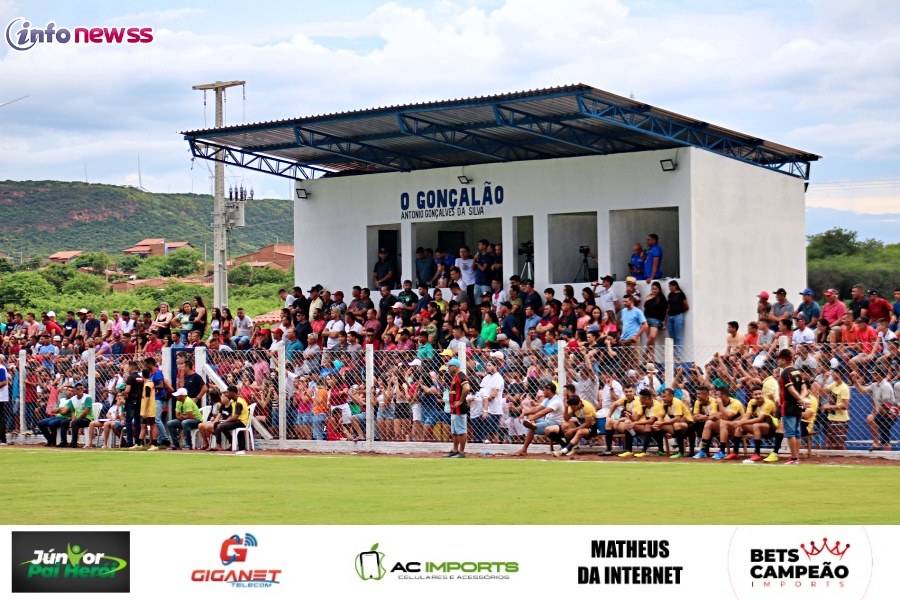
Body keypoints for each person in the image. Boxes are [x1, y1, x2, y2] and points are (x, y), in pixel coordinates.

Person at [772, 349, 808, 465]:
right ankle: (796, 456)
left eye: (779, 359)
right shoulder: (797, 372)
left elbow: (791, 390)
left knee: (790, 433)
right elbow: (804, 389)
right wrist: (801, 399)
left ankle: (793, 457)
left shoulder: (785, 373)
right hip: (797, 406)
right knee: (797, 432)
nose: (778, 361)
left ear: (783, 359)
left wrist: (799, 399)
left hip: (788, 405)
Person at [851, 369, 895, 452]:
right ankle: (877, 445)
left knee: (884, 434)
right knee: (884, 435)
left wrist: (876, 413)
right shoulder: (875, 385)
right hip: (881, 412)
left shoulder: (886, 386)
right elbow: (862, 391)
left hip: (889, 412)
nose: (873, 375)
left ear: (880, 375)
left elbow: (886, 404)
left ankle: (878, 446)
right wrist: (855, 381)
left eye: (875, 374)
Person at [446, 358, 470, 458]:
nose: (448, 368)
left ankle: (461, 451)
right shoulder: (455, 377)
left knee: (461, 430)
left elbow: (467, 388)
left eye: (449, 366)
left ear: (455, 366)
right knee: (455, 431)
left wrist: (460, 401)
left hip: (459, 408)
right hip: (454, 408)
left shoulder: (461, 376)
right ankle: (455, 450)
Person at [214, 385, 250, 452]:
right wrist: (225, 421)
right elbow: (232, 415)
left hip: (241, 422)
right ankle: (219, 444)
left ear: (232, 393)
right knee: (217, 424)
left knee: (221, 426)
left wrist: (225, 421)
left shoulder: (239, 402)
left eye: (227, 392)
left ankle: (233, 443)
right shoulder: (234, 402)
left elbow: (235, 417)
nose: (226, 394)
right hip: (236, 421)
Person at [665, 280, 689, 357]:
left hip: (678, 316)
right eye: (669, 286)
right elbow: (668, 307)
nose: (670, 288)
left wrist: (679, 311)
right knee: (671, 337)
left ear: (675, 286)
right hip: (670, 317)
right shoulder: (670, 295)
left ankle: (678, 356)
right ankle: (671, 355)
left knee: (678, 336)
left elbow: (686, 306)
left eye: (671, 286)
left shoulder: (681, 294)